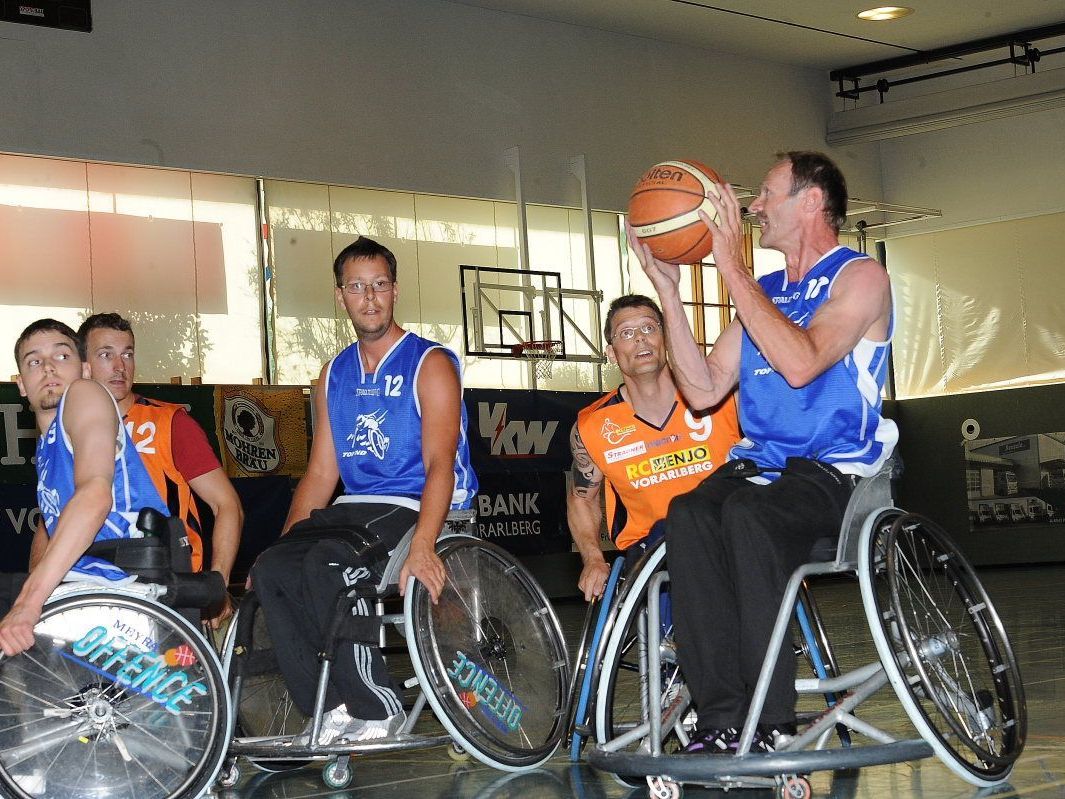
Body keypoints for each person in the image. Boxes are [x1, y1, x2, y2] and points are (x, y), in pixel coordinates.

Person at [630, 151, 897, 754]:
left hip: (835, 475)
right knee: (690, 515)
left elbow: (802, 363)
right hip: (762, 468)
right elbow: (701, 389)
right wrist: (669, 294)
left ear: (810, 201)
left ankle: (773, 720)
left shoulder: (860, 278)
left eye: (765, 195)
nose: (751, 208)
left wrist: (730, 265)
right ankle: (722, 715)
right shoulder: (767, 290)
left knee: (749, 517)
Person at [251, 235, 478, 744]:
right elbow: (320, 474)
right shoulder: (332, 373)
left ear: (395, 291)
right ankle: (327, 707)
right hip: (356, 509)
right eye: (357, 287)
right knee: (275, 568)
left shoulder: (430, 362)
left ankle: (378, 705)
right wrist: (283, 542)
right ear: (341, 296)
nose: (369, 298)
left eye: (379, 285)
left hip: (417, 502)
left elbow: (441, 461)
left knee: (330, 564)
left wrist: (423, 543)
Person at [27, 313, 243, 628]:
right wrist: (39, 592)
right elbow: (51, 523)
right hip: (94, 586)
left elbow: (227, 505)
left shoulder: (170, 423)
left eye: (127, 354)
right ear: (83, 364)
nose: (120, 366)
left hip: (167, 583)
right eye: (106, 355)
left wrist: (216, 587)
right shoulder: (62, 429)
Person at [0, 320, 171, 656]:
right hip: (92, 583)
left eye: (61, 356)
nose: (48, 366)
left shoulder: (85, 394)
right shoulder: (49, 445)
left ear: (85, 369)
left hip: (124, 582)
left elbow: (94, 496)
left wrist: (28, 604)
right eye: (34, 361)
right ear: (21, 384)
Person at [568, 294, 740, 601]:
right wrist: (593, 558)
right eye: (626, 333)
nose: (640, 340)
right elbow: (582, 499)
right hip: (651, 551)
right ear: (611, 352)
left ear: (667, 338)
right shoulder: (593, 425)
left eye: (649, 328)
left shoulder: (721, 396)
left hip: (730, 536)